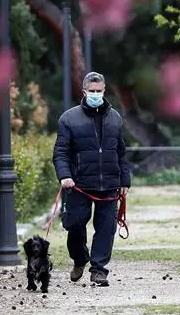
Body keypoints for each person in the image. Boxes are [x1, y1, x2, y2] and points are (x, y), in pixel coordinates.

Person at [52, 71, 131, 287]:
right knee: (75, 225)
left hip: (109, 185)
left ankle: (99, 270)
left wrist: (125, 181)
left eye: (99, 91)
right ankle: (79, 259)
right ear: (84, 91)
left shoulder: (115, 118)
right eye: (92, 91)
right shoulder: (68, 118)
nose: (96, 94)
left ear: (104, 91)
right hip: (78, 185)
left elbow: (121, 153)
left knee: (106, 228)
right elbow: (60, 152)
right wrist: (65, 176)